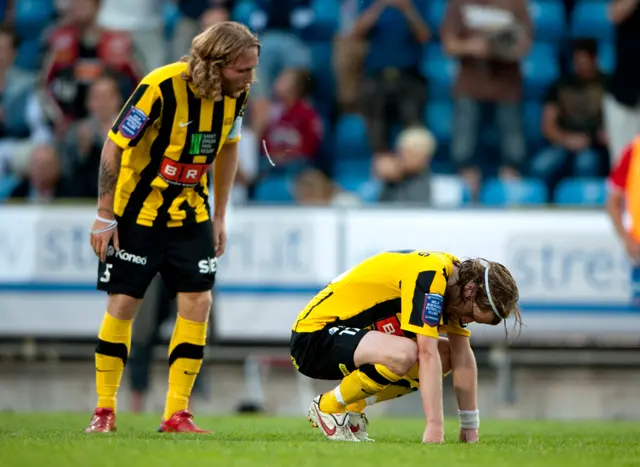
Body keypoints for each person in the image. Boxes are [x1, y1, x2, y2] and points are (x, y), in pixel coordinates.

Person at [84, 21, 260, 434]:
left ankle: (177, 413)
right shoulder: (159, 86)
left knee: (198, 303)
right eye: (243, 69)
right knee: (124, 304)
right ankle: (104, 410)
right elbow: (114, 144)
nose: (251, 78)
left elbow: (228, 149)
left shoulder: (237, 95)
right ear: (216, 64)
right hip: (137, 215)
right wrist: (104, 213)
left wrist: (219, 215)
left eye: (253, 68)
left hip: (191, 215)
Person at [290, 250, 522, 443]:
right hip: (313, 338)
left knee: (447, 354)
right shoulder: (431, 274)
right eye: (472, 315)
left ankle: (353, 405)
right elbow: (426, 353)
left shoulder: (456, 288)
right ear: (471, 291)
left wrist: (470, 427)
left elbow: (462, 356)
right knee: (407, 352)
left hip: (356, 342)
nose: (467, 322)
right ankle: (328, 406)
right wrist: (434, 426)